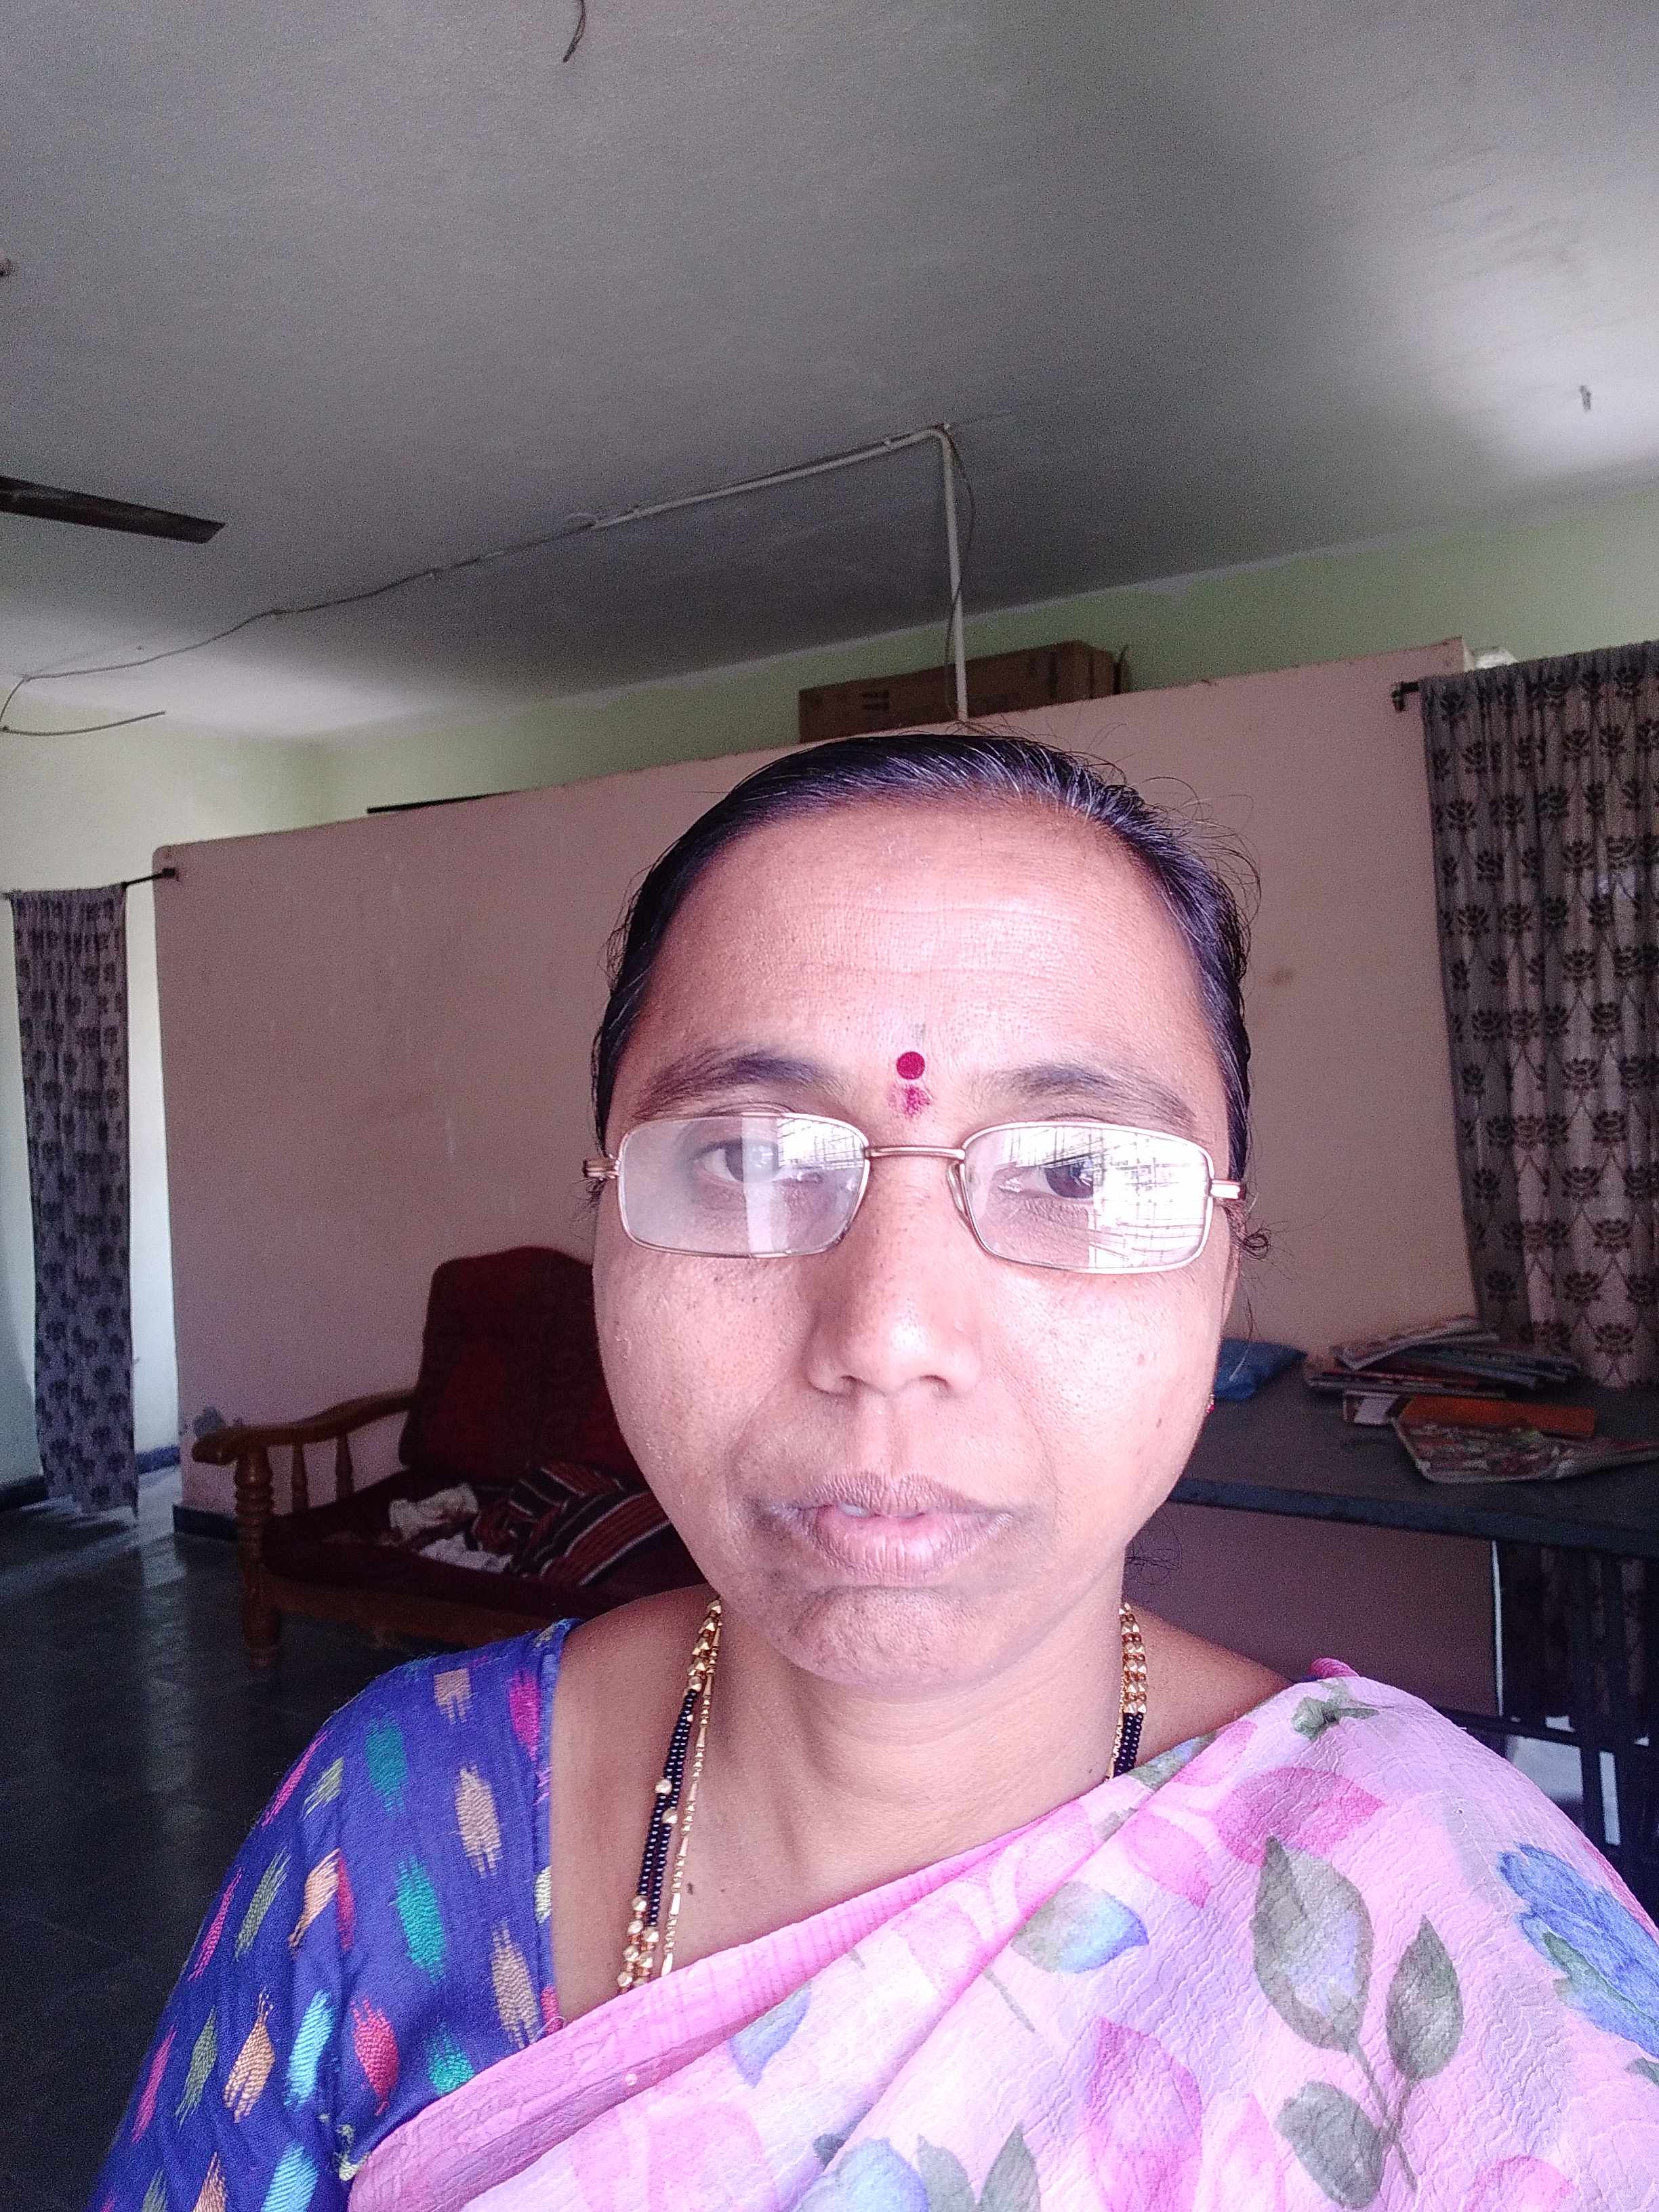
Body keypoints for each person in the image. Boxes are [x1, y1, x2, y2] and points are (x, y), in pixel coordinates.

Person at [91, 735, 1659, 2211]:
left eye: (1074, 1169)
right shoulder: (394, 1823)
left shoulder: (1461, 1933)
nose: (887, 1333)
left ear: (1223, 1259)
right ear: (606, 1226)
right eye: (747, 1157)